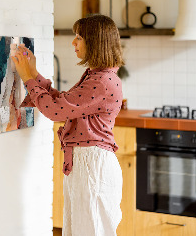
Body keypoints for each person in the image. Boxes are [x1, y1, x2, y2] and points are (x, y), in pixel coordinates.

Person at [12, 14, 124, 236]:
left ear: (95, 42)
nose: (74, 43)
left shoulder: (101, 81)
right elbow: (63, 103)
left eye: (79, 37)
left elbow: (55, 111)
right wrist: (34, 74)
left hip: (92, 167)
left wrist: (27, 78)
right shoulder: (97, 76)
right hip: (87, 164)